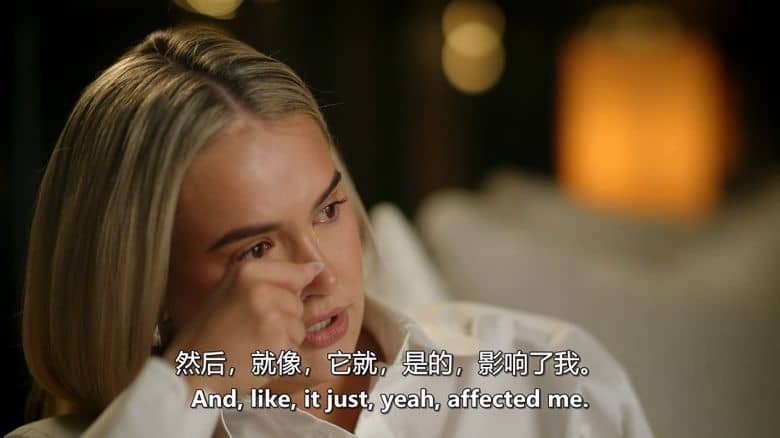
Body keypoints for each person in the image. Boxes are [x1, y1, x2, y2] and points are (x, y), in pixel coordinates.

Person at [7, 26, 653, 437]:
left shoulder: (552, 382)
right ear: (145, 290)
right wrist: (191, 386)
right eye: (256, 248)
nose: (319, 273)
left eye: (327, 210)